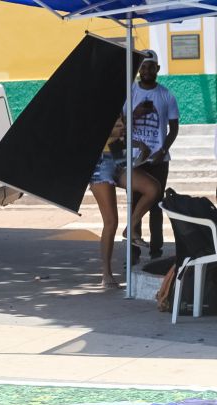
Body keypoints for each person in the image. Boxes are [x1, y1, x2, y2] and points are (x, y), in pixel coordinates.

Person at [91, 119, 160, 288]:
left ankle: (131, 227)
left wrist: (140, 147)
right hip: (100, 165)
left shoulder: (118, 109)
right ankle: (106, 274)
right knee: (111, 222)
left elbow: (124, 146)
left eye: (122, 124)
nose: (123, 126)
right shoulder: (97, 116)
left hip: (117, 157)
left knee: (153, 188)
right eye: (117, 125)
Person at [125, 49, 179, 260]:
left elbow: (174, 128)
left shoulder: (166, 95)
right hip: (135, 159)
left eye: (151, 67)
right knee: (134, 202)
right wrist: (136, 115)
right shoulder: (130, 93)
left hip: (158, 160)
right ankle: (133, 252)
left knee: (156, 204)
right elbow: (121, 124)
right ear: (139, 69)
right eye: (143, 67)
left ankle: (156, 250)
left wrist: (162, 151)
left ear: (158, 69)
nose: (147, 70)